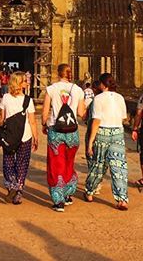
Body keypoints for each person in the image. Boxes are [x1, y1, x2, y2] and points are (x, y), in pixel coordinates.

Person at [41, 63, 86, 212]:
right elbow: (81, 112)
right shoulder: (78, 90)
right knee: (69, 162)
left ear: (58, 73)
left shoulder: (51, 89)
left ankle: (58, 200)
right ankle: (67, 194)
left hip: (56, 130)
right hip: (72, 132)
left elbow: (45, 111)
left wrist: (43, 124)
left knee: (56, 164)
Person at [84, 73, 129, 209]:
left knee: (98, 165)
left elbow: (96, 121)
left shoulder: (98, 99)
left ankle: (90, 192)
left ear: (103, 85)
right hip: (117, 132)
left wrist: (90, 142)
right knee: (119, 167)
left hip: (102, 132)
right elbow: (124, 118)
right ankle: (122, 199)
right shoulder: (120, 97)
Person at [0, 72, 38, 205]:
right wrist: (36, 137)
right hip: (25, 136)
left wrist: (0, 138)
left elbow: (2, 120)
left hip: (9, 135)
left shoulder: (5, 98)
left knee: (8, 161)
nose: (27, 83)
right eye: (25, 81)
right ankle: (18, 191)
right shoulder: (28, 100)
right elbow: (32, 121)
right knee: (22, 163)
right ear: (19, 83)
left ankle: (11, 185)